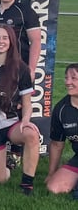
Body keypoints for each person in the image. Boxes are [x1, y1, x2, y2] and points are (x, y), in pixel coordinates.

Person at [0, 24, 39, 195]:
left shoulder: (22, 69)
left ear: (11, 41)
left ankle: (27, 185)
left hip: (11, 125)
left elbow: (27, 102)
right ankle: (8, 163)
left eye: (5, 38)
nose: (0, 41)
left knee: (32, 135)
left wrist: (25, 120)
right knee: (0, 179)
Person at [46, 63, 78, 196]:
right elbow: (56, 144)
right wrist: (51, 173)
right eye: (66, 78)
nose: (68, 82)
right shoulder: (61, 109)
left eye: (74, 78)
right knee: (54, 187)